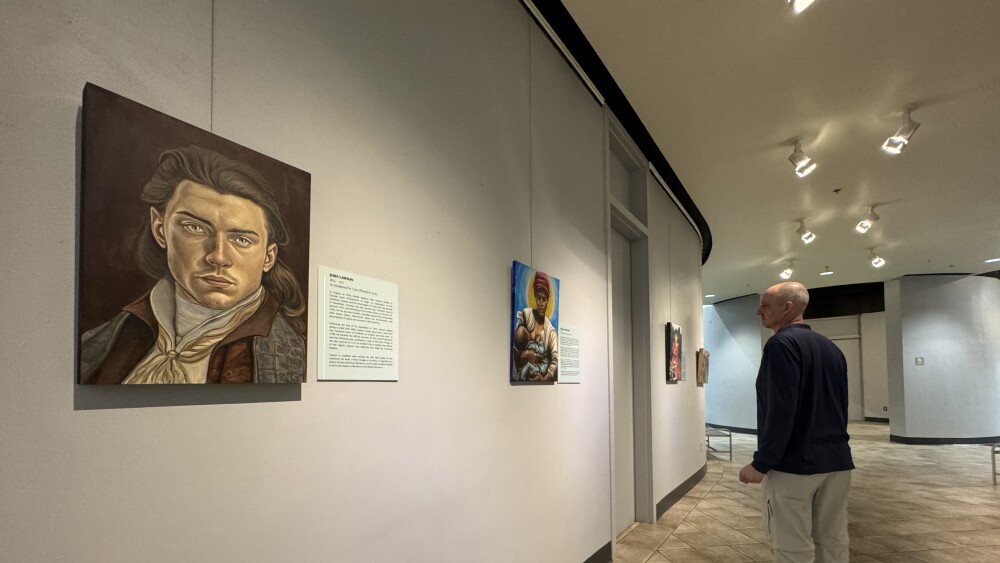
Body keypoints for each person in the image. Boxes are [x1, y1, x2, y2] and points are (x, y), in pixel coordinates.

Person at [79, 146, 306, 384]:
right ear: (160, 229)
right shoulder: (100, 343)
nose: (218, 256)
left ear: (268, 257)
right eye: (195, 228)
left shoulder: (290, 354)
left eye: (241, 240)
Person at [739, 281, 854, 562]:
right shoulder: (831, 349)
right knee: (833, 539)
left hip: (795, 466)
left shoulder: (781, 345)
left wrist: (762, 462)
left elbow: (780, 409)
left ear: (787, 307)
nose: (759, 311)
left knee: (792, 544)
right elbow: (840, 406)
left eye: (765, 305)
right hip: (837, 463)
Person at [512, 272, 558, 382]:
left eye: (544, 299)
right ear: (534, 297)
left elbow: (555, 360)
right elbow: (515, 347)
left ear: (548, 300)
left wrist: (544, 378)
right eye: (538, 298)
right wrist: (526, 354)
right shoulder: (526, 315)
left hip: (541, 371)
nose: (541, 303)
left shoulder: (551, 332)